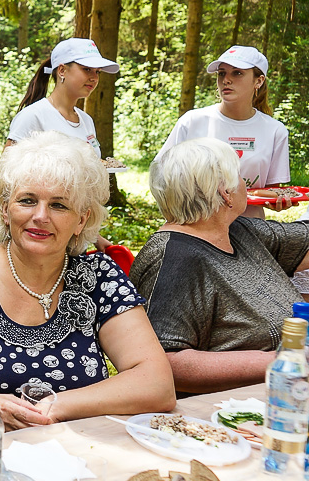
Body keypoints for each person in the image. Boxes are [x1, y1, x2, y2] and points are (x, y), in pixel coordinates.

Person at [0, 131, 175, 429]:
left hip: (74, 459)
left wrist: (57, 406)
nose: (40, 216)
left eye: (59, 205)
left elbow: (157, 384)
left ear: (81, 219)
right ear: (5, 209)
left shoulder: (98, 280)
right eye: (27, 200)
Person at [130, 137, 309, 394]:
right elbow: (166, 362)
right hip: (226, 414)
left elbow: (303, 242)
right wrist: (284, 360)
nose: (245, 184)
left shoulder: (234, 230)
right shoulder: (175, 260)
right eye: (239, 176)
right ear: (225, 192)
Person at [156, 45, 289, 219]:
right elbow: (160, 174)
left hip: (252, 229)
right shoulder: (192, 121)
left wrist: (277, 201)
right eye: (221, 73)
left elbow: (271, 191)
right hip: (196, 227)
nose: (226, 80)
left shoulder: (275, 130)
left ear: (259, 81)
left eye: (237, 73)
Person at [6, 38, 119, 153]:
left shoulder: (86, 120)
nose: (94, 78)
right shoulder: (33, 116)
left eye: (97, 72)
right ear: (62, 70)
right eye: (87, 69)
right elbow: (6, 168)